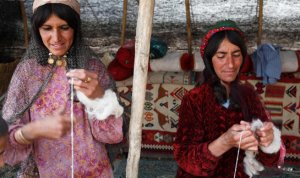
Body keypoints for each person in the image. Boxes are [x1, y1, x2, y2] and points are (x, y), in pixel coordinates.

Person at [2, 0, 124, 177]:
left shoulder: (92, 68)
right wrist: (34, 130)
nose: (56, 37)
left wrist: (101, 99)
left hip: (95, 171)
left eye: (64, 27)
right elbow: (7, 140)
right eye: (47, 28)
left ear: (75, 28)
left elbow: (113, 136)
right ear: (37, 30)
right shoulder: (27, 72)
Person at [173, 20, 285, 178]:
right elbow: (185, 158)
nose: (231, 64)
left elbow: (272, 160)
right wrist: (225, 141)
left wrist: (268, 141)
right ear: (209, 59)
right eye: (221, 56)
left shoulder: (248, 94)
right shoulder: (194, 99)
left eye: (236, 55)